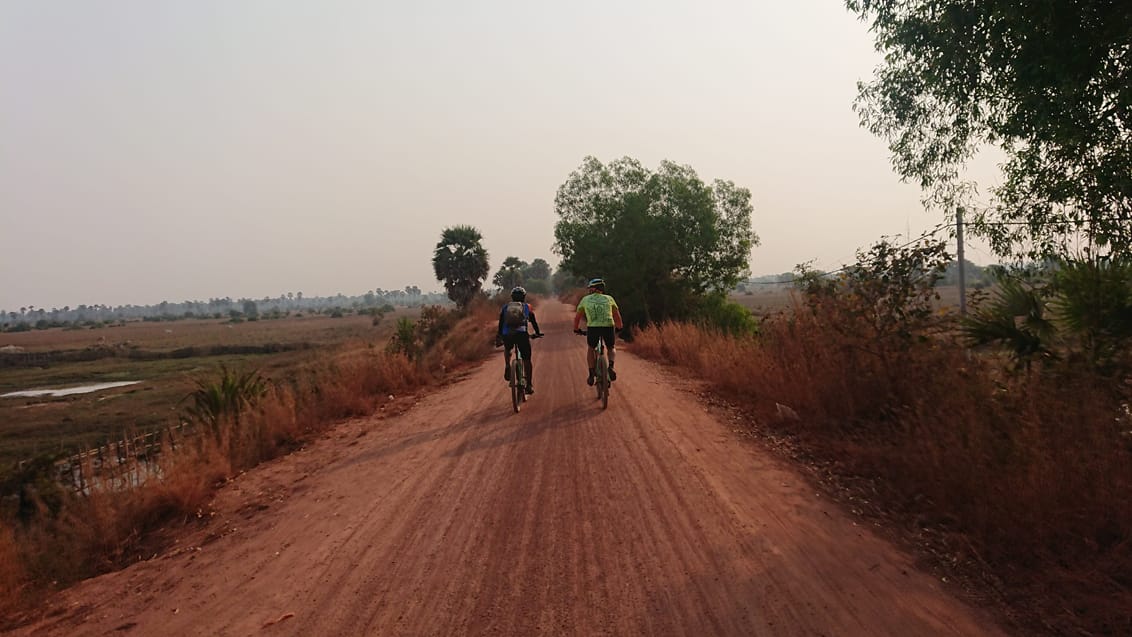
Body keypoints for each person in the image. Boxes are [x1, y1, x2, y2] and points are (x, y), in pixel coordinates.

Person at [572, 277, 624, 386]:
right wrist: (619, 327)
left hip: (593, 328)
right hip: (608, 327)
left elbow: (577, 318)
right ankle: (610, 366)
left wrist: (576, 329)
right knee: (611, 347)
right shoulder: (609, 299)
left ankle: (591, 374)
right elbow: (617, 315)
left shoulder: (585, 300)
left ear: (595, 289)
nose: (589, 290)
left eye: (591, 288)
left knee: (591, 348)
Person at [496, 286, 542, 394]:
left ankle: (507, 364)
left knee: (508, 348)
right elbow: (533, 322)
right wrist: (537, 333)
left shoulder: (505, 307)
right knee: (527, 359)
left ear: (512, 297)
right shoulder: (527, 307)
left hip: (508, 335)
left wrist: (500, 335)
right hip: (521, 335)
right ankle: (529, 385)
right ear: (524, 297)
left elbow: (501, 323)